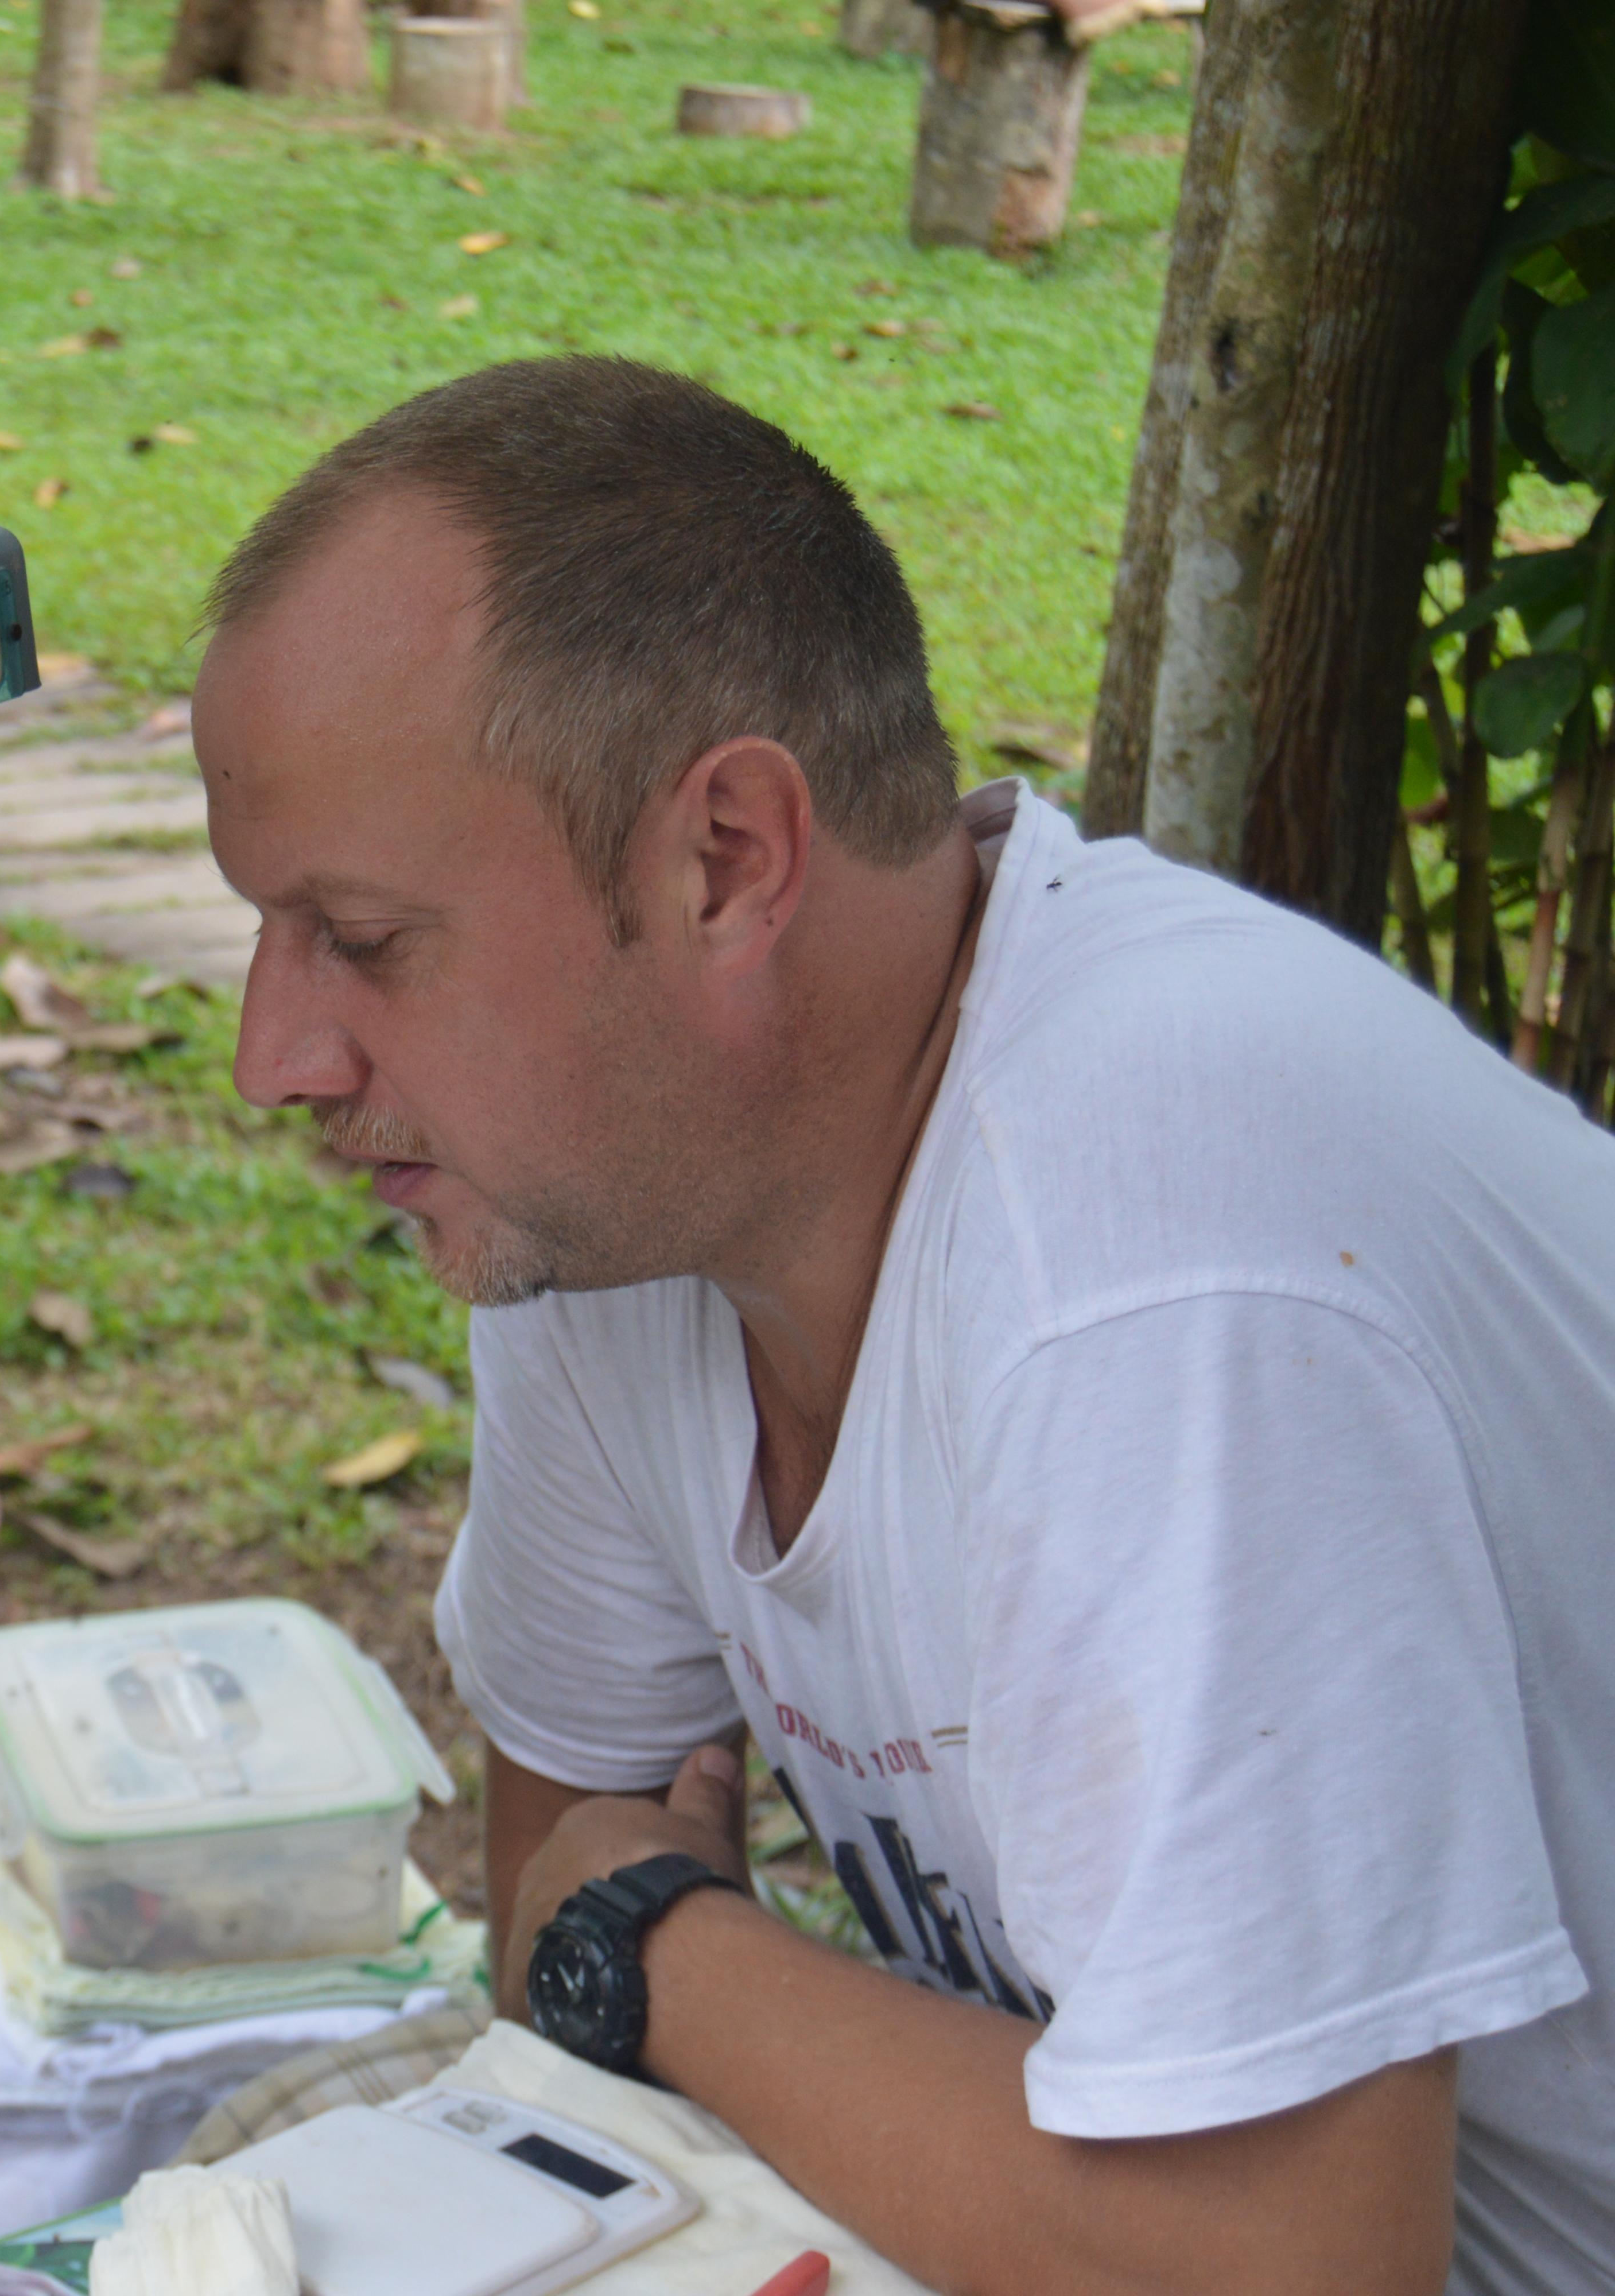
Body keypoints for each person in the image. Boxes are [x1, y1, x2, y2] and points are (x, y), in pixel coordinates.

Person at [193, 356, 1613, 2295]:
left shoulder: (1145, 1268)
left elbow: (1280, 2269)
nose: (276, 1055)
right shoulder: (610, 1200)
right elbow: (560, 1913)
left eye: (360, 940)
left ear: (727, 862)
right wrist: (645, 1942)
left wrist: (678, 1957)